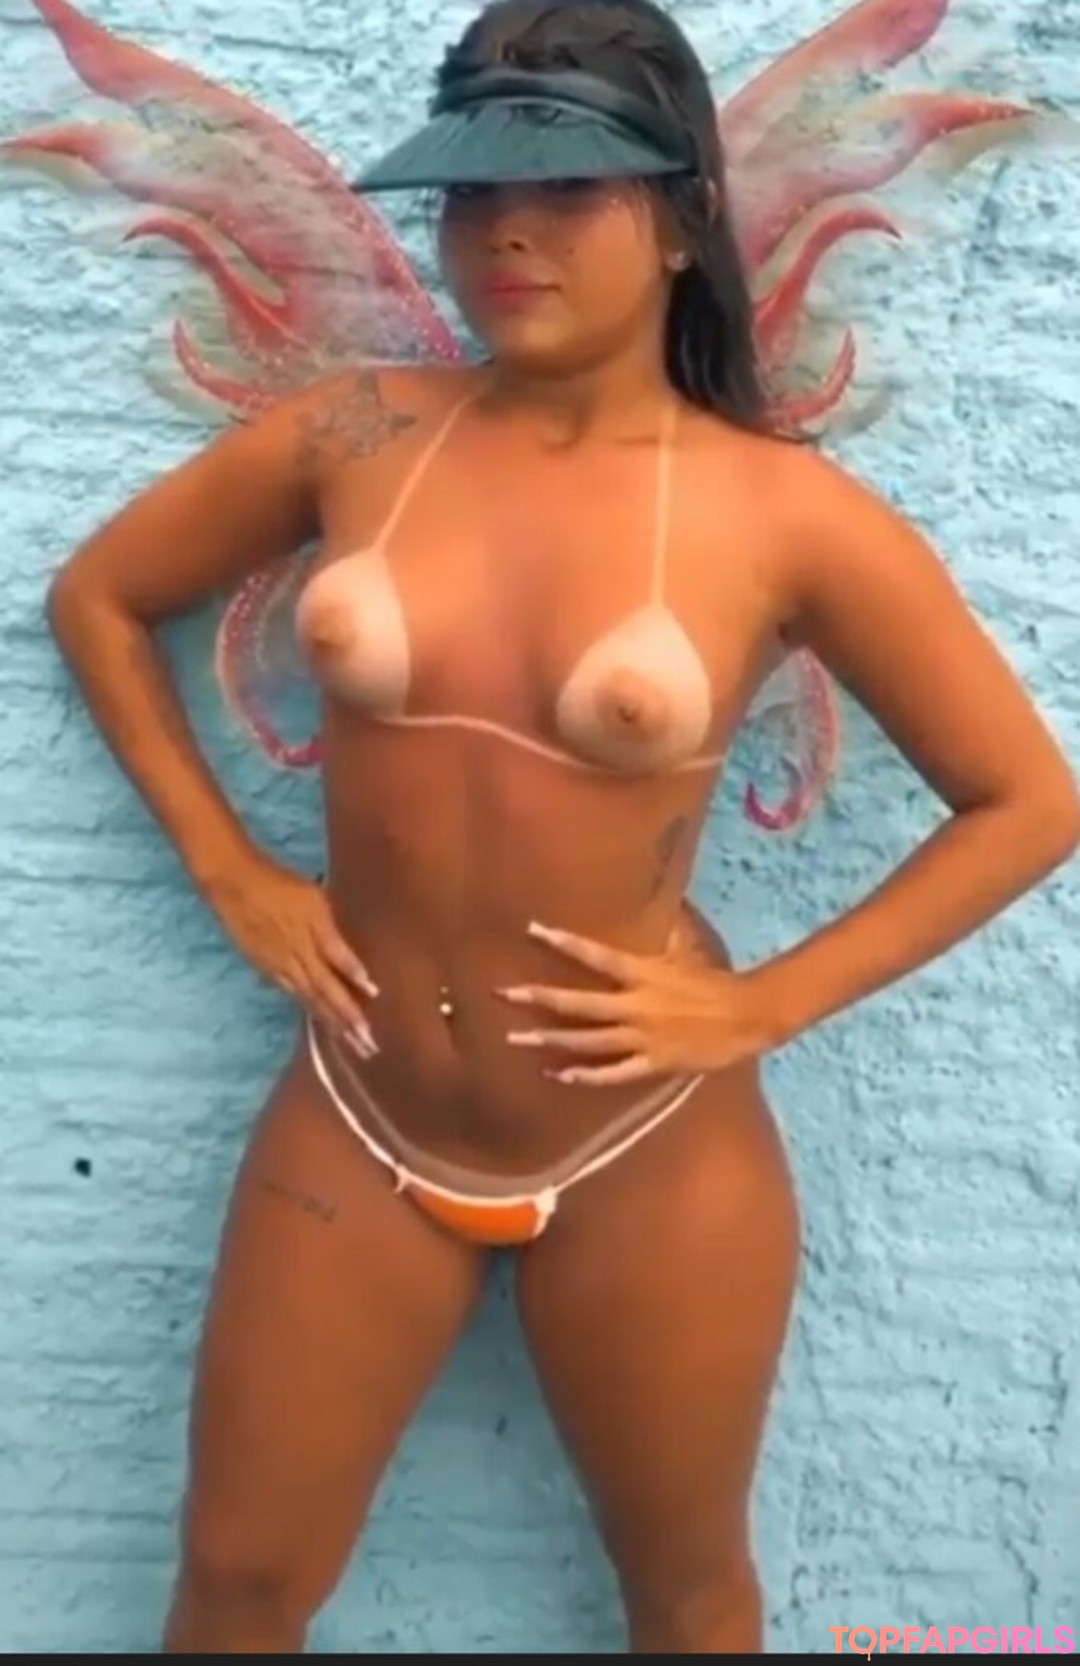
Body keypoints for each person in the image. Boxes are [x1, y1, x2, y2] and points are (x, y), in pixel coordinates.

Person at [40, 0, 1078, 1652]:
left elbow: (1027, 802)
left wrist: (761, 1004)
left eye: (572, 191)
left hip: (646, 1147)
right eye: (473, 193)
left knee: (686, 1593)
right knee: (235, 1581)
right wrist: (228, 866)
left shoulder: (782, 513)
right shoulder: (361, 431)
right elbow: (99, 597)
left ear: (679, 220)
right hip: (362, 1113)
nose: (508, 232)